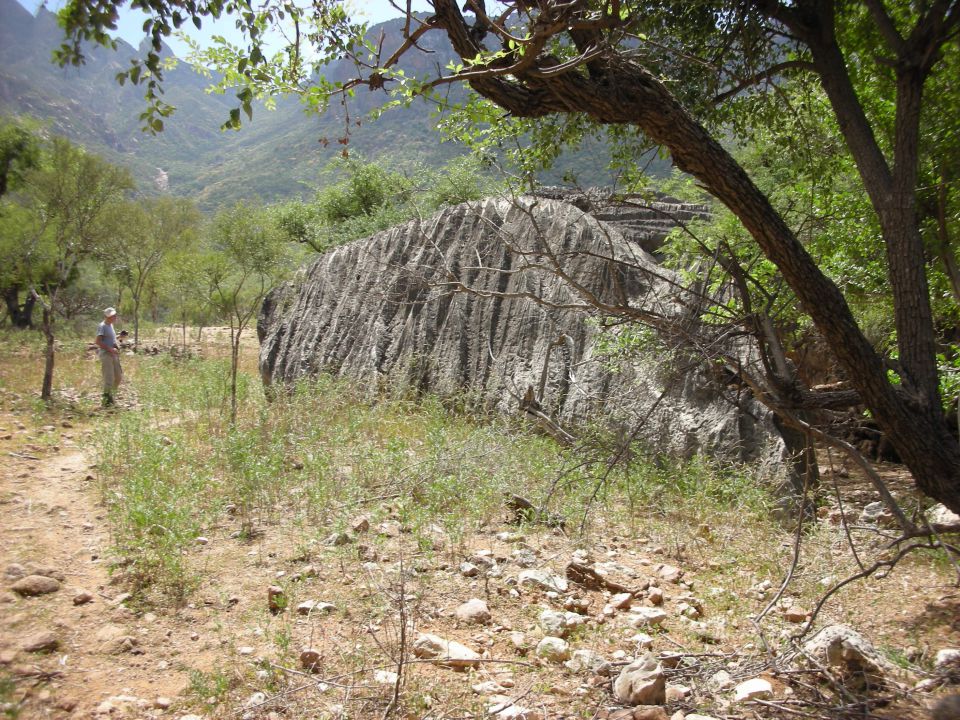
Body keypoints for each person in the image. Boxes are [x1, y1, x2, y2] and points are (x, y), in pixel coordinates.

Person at [95, 307, 123, 407]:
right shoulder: (102, 326)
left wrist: (120, 339)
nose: (114, 317)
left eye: (114, 315)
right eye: (112, 316)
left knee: (119, 377)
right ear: (107, 316)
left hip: (113, 354)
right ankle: (106, 401)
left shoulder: (111, 326)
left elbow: (111, 340)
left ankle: (111, 397)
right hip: (106, 355)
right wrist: (110, 349)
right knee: (109, 378)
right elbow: (98, 341)